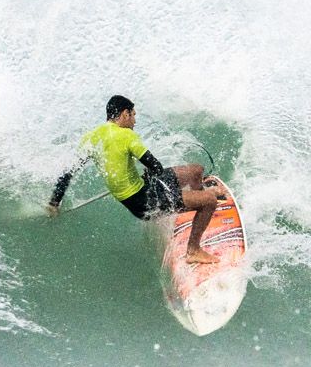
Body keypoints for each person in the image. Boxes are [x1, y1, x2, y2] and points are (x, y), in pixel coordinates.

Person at [47, 95, 220, 264]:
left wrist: (55, 202)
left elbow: (67, 173)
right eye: (133, 115)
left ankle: (195, 210)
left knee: (196, 171)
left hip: (143, 189)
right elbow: (156, 167)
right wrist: (149, 173)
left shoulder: (91, 138)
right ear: (124, 114)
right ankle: (194, 249)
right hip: (144, 202)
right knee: (210, 200)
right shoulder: (126, 135)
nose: (135, 121)